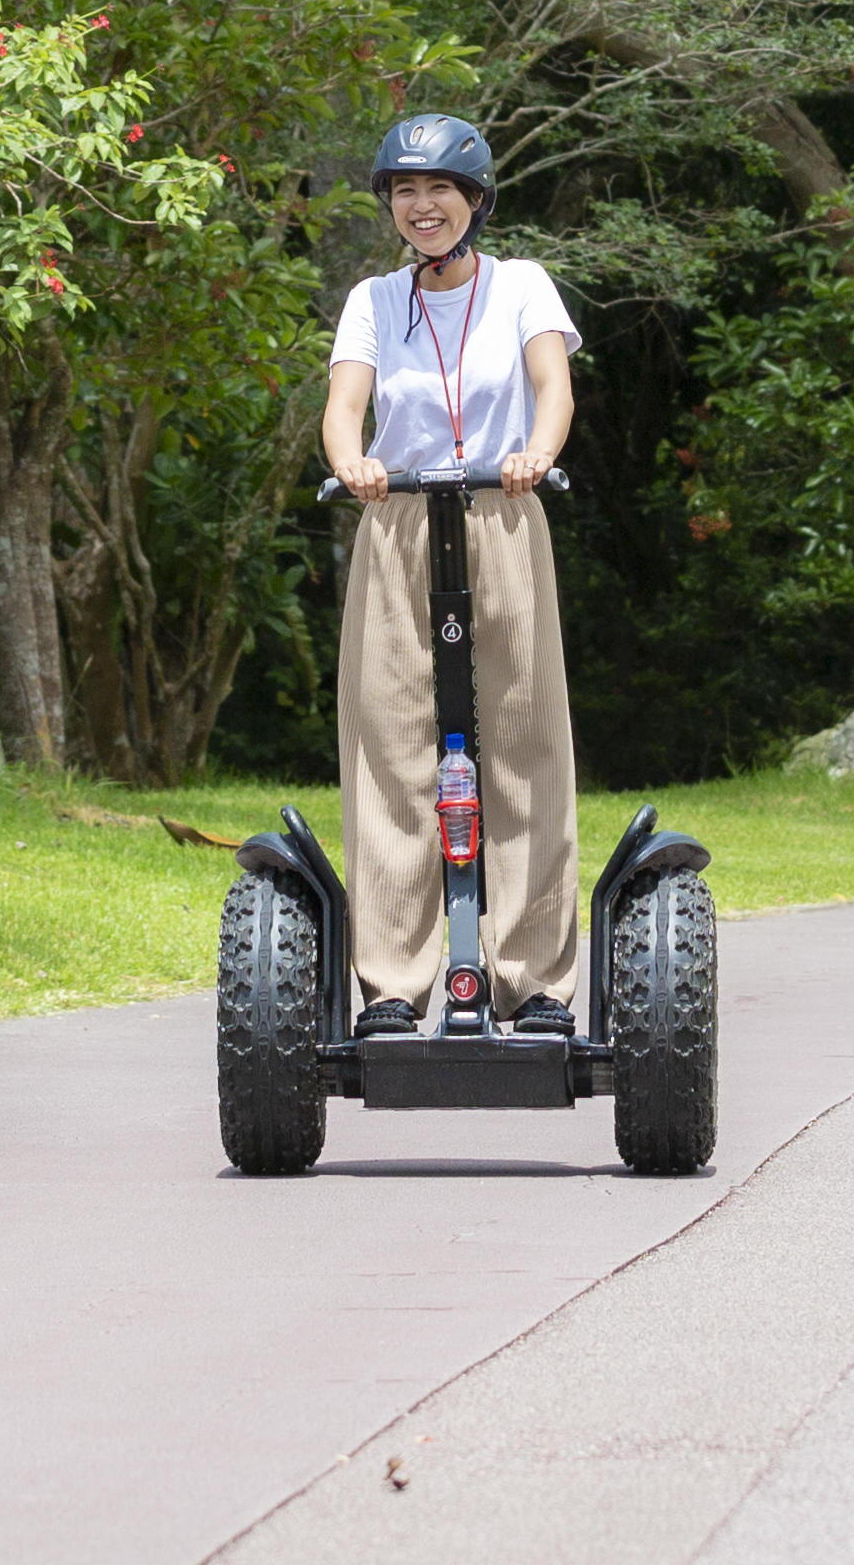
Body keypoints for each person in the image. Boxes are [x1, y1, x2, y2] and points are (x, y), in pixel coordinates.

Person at [322, 109, 583, 1034]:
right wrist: (353, 461)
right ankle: (391, 985)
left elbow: (552, 388)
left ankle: (537, 983)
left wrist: (534, 455)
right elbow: (344, 404)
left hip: (503, 512)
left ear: (474, 200)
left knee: (522, 744)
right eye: (404, 191)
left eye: (438, 190)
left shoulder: (522, 287)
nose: (421, 206)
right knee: (391, 746)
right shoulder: (373, 300)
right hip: (396, 523)